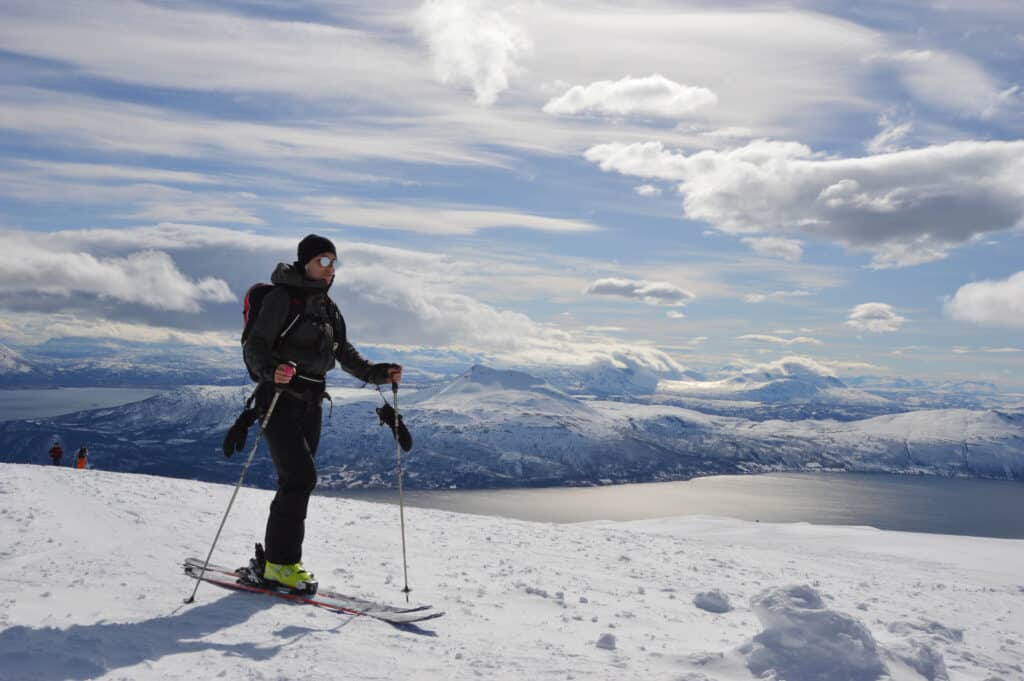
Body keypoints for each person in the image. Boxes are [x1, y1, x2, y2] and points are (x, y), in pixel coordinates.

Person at [243, 234, 402, 591]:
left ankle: (274, 561)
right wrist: (272, 371)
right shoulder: (283, 298)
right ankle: (282, 564)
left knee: (295, 482)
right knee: (299, 478)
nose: (330, 269)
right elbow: (255, 347)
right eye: (323, 261)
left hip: (311, 402)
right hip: (278, 397)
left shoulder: (328, 308)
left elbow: (343, 352)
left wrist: (378, 373)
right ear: (305, 263)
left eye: (334, 262)